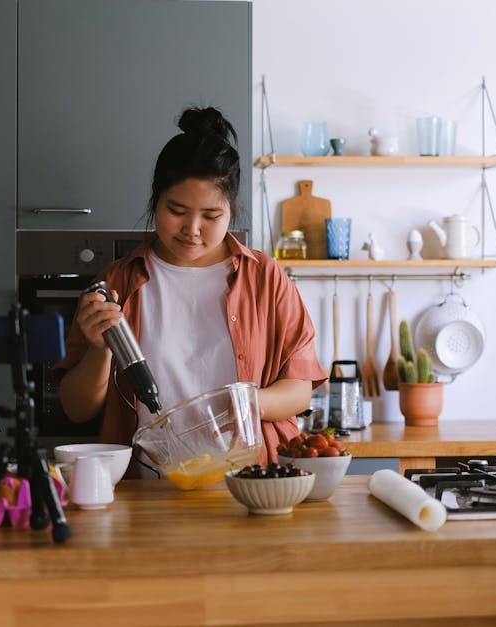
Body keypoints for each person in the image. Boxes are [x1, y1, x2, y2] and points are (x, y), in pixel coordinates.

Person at [56, 106, 326, 475]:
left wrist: (243, 404)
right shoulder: (117, 282)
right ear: (156, 199)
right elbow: (76, 408)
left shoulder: (265, 277)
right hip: (147, 488)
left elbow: (299, 390)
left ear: (231, 211)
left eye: (211, 216)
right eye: (177, 210)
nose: (192, 229)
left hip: (249, 485)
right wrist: (101, 351)